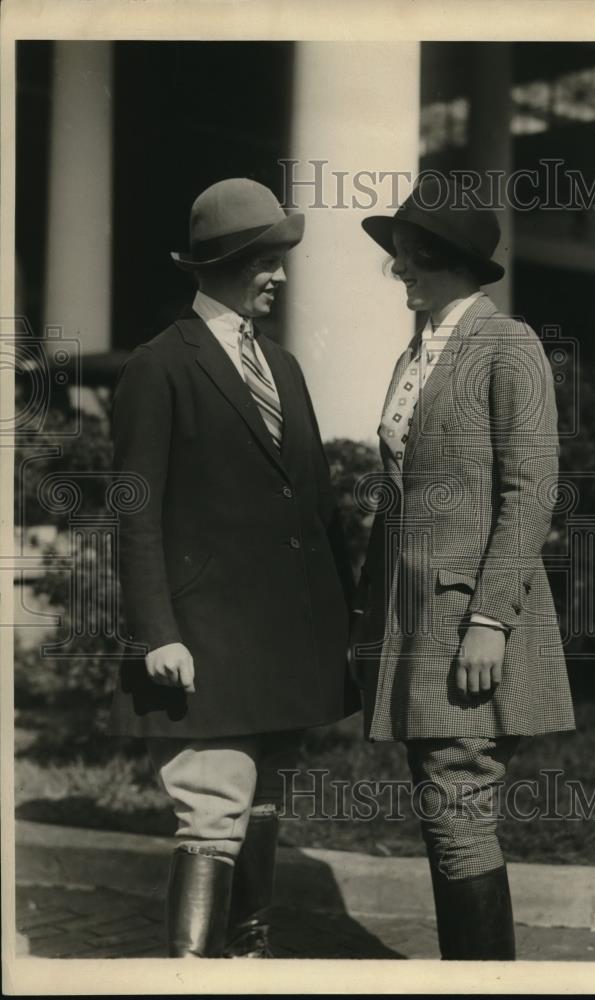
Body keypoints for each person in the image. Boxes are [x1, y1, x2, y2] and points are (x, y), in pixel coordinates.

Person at [109, 178, 356, 958]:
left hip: (281, 649)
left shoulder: (281, 365)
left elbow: (314, 504)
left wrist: (344, 621)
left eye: (281, 257)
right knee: (212, 814)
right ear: (223, 263)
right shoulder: (159, 366)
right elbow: (134, 511)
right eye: (267, 259)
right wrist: (157, 633)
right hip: (200, 646)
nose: (280, 273)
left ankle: (245, 965)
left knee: (260, 810)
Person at [354, 176, 575, 960]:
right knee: (446, 804)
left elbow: (530, 490)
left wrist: (489, 619)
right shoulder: (415, 350)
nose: (397, 270)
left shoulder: (505, 344)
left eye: (407, 255)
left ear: (443, 257)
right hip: (416, 623)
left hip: (468, 624)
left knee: (456, 803)